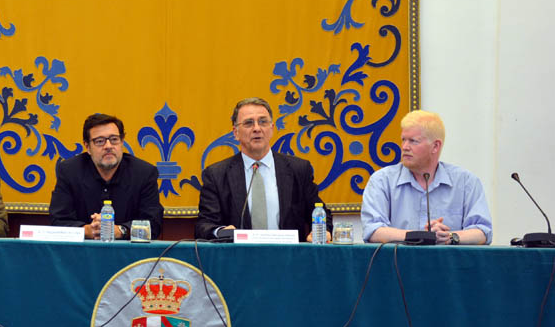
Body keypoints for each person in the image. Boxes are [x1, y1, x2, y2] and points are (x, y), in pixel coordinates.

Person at [195, 97, 331, 241]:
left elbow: (320, 212)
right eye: (248, 123)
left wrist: (324, 231)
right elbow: (204, 225)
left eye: (263, 122)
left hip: (288, 258)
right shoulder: (216, 175)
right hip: (237, 258)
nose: (257, 128)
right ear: (236, 133)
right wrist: (222, 231)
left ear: (271, 129)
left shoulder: (299, 169)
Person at [361, 110, 492, 245]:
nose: (405, 147)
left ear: (435, 146)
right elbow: (373, 230)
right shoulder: (382, 181)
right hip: (398, 264)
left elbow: (483, 232)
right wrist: (419, 236)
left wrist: (449, 236)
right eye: (403, 140)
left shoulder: (466, 182)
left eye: (413, 141)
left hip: (448, 264)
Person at [49, 113, 164, 239]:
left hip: (129, 255)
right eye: (100, 141)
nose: (108, 146)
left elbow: (153, 225)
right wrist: (88, 230)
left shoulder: (144, 173)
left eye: (114, 139)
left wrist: (120, 231)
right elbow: (58, 221)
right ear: (87, 147)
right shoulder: (69, 172)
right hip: (81, 253)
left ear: (122, 142)